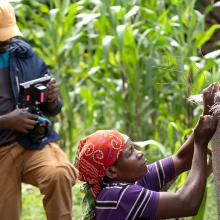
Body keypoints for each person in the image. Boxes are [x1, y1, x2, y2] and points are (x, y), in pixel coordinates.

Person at [75, 83, 219, 220]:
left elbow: (182, 159)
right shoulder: (117, 195)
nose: (140, 153)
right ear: (112, 171)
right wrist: (200, 143)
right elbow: (186, 203)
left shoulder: (135, 178)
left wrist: (206, 110)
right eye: (130, 152)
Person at [0, 1, 77, 220]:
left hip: (32, 142)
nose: (6, 43)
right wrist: (6, 121)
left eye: (8, 36)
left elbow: (51, 108)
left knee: (58, 173)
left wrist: (51, 99)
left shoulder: (23, 54)